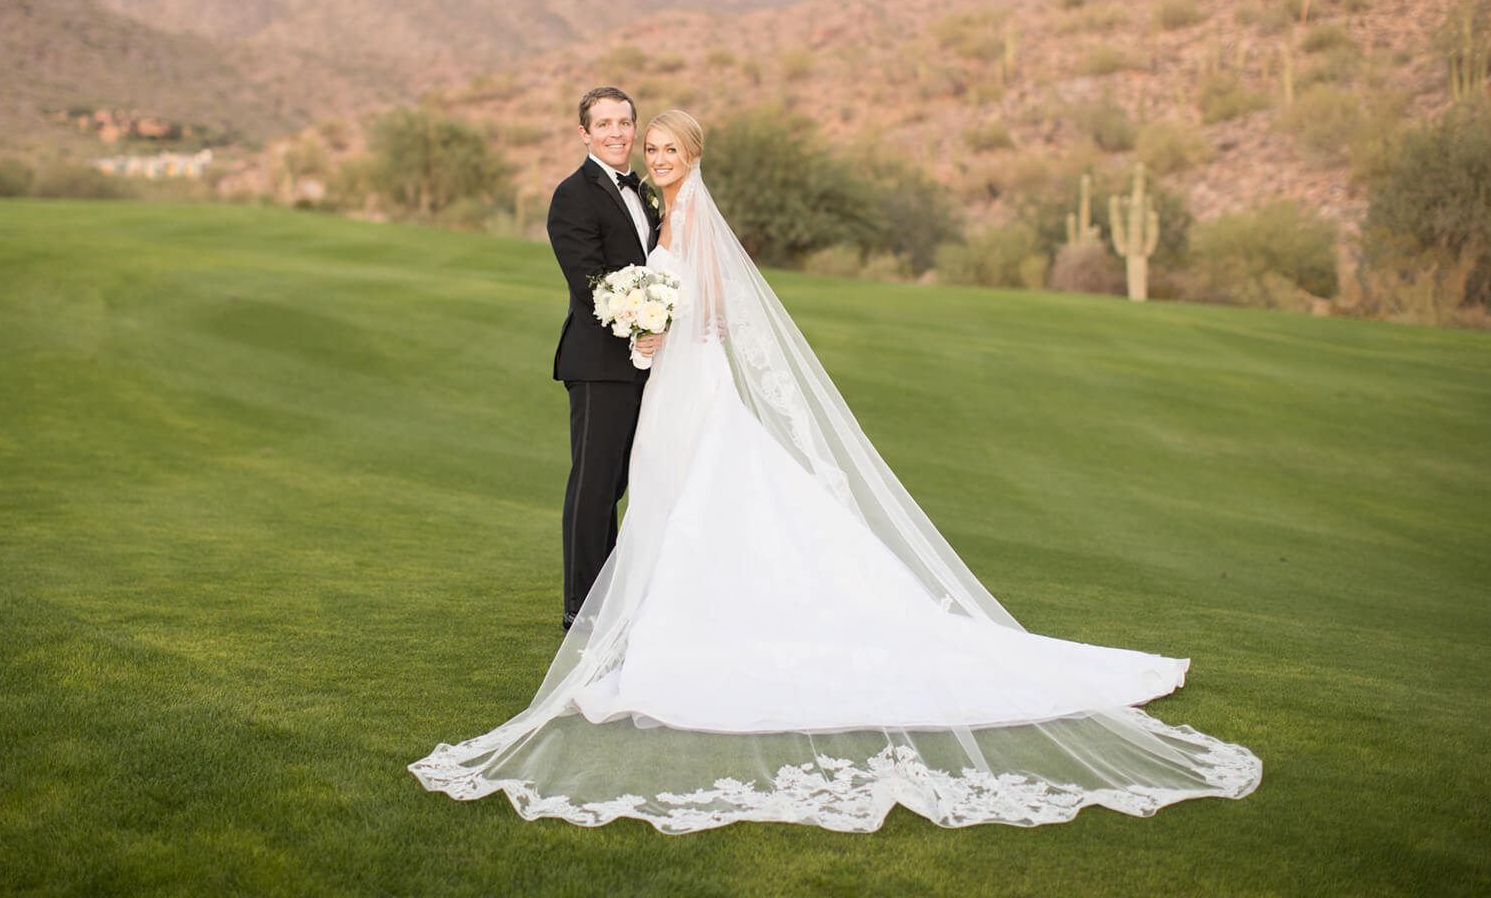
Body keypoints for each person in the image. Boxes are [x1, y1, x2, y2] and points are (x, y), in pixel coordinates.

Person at [411, 109, 1262, 833]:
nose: (654, 155)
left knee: (699, 496)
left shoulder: (688, 215)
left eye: (666, 147)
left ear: (689, 157)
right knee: (661, 500)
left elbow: (703, 307)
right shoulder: (643, 206)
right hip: (658, 376)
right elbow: (617, 282)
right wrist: (646, 320)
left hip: (686, 377)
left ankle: (685, 622)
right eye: (647, 145)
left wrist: (662, 321)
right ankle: (637, 614)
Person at [544, 88, 662, 631]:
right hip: (599, 362)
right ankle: (582, 609)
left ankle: (615, 597)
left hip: (650, 361)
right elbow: (590, 281)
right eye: (605, 124)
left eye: (624, 122)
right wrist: (641, 324)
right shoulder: (573, 194)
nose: (616, 132)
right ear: (584, 133)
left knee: (622, 480)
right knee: (594, 484)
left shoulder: (645, 190)